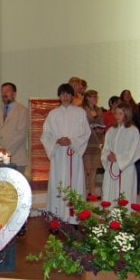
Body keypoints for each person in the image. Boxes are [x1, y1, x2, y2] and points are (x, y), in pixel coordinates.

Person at [41, 83, 90, 224]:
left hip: (73, 154)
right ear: (59, 96)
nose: (65, 96)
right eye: (62, 93)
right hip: (58, 155)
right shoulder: (53, 114)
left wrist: (72, 141)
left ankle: (74, 218)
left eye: (68, 93)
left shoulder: (80, 113)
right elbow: (46, 135)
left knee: (74, 183)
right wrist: (56, 141)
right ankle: (57, 216)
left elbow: (86, 133)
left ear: (72, 95)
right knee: (58, 183)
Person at [101, 102, 140, 204]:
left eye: (120, 113)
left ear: (127, 114)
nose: (117, 116)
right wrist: (107, 156)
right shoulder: (111, 130)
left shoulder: (133, 131)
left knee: (125, 193)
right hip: (112, 167)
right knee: (110, 194)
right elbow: (106, 148)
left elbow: (135, 151)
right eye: (116, 113)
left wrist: (118, 158)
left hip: (126, 168)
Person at [0, 82, 29, 173]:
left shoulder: (23, 111)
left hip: (16, 158)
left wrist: (6, 152)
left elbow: (21, 134)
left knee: (15, 183)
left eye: (7, 91)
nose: (4, 94)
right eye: (2, 91)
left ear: (14, 93)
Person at [81, 90, 105, 197]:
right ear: (87, 98)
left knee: (94, 167)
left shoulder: (99, 110)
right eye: (93, 96)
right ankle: (85, 189)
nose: (95, 98)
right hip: (86, 141)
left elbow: (102, 123)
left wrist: (101, 130)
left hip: (97, 140)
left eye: (96, 96)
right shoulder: (82, 110)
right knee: (86, 167)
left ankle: (92, 189)